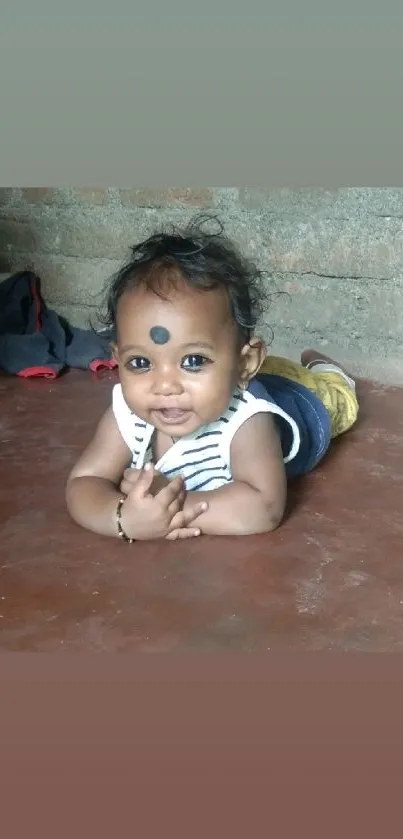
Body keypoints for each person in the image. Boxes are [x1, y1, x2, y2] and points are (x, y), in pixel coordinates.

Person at [65, 215, 359, 542]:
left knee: (336, 398)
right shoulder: (127, 412)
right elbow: (83, 482)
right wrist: (122, 518)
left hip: (300, 401)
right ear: (117, 358)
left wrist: (171, 506)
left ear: (246, 363)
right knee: (263, 370)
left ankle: (327, 368)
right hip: (242, 374)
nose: (164, 387)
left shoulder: (248, 420)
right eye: (140, 362)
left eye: (192, 361)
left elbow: (264, 506)